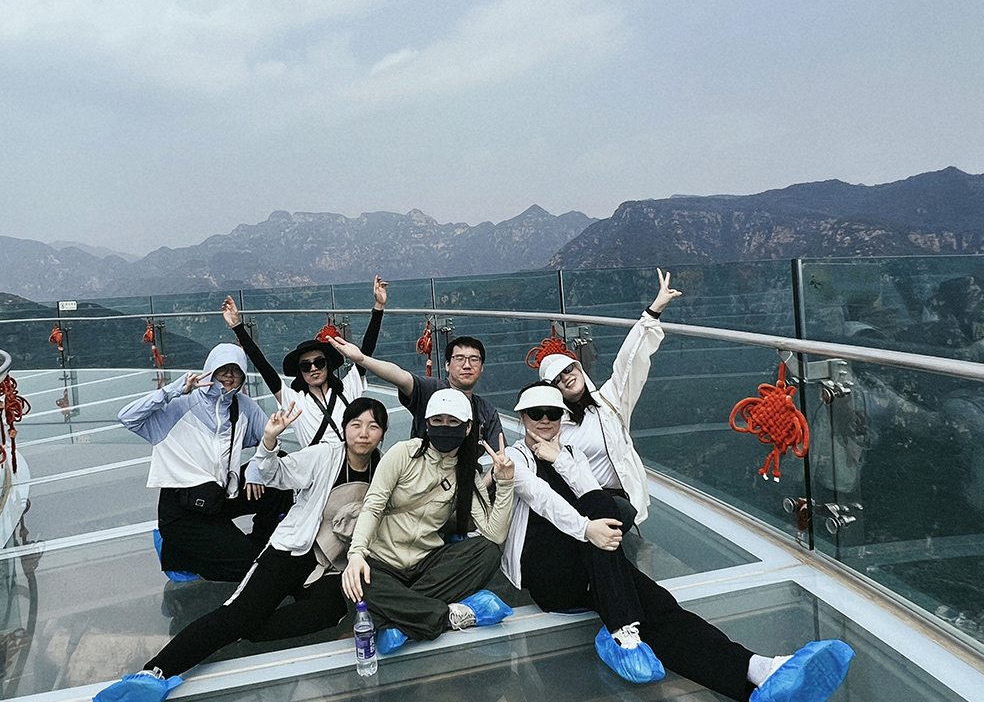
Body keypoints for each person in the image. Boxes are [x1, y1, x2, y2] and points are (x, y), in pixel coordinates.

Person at [503, 382, 854, 702]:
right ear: (522, 416)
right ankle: (620, 626)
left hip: (594, 569)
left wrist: (561, 460)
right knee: (601, 511)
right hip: (550, 574)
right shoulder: (514, 458)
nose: (545, 420)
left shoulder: (571, 455)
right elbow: (543, 500)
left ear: (562, 417)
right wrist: (587, 529)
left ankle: (756, 674)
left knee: (662, 609)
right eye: (536, 413)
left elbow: (593, 496)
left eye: (553, 413)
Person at [93, 398, 390, 702]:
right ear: (344, 428)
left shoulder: (383, 469)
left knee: (329, 610)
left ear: (383, 432)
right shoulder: (325, 456)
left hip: (332, 567)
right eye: (356, 424)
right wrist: (270, 440)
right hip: (292, 552)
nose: (363, 433)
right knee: (235, 615)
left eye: (373, 426)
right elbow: (273, 474)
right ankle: (156, 671)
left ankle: (248, 631)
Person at [341, 389, 515, 654]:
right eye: (437, 420)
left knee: (487, 551)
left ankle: (398, 620)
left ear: (468, 427)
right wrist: (356, 554)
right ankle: (446, 616)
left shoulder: (465, 472)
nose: (445, 427)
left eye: (453, 421)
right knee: (355, 582)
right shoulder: (403, 453)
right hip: (383, 563)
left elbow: (495, 534)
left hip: (426, 564)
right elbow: (373, 505)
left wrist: (505, 482)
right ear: (427, 423)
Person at [118, 343, 291, 582]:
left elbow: (271, 439)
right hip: (183, 508)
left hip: (221, 496)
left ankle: (259, 544)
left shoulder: (243, 406)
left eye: (236, 370)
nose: (229, 376)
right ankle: (178, 552)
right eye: (223, 369)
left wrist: (256, 466)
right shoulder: (179, 404)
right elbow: (128, 417)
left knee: (279, 468)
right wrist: (173, 391)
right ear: (210, 370)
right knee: (249, 570)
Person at [535, 268, 682, 528]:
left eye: (569, 369)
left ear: (579, 368)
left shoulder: (609, 403)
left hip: (621, 498)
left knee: (620, 514)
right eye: (557, 379)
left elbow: (628, 361)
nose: (566, 377)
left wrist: (654, 310)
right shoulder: (553, 425)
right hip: (581, 503)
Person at [222, 276, 387, 449]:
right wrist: (237, 326)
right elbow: (263, 366)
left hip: (352, 460)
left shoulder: (347, 389)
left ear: (328, 365)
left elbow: (365, 353)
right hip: (316, 464)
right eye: (306, 366)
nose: (313, 368)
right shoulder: (294, 401)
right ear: (300, 371)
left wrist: (379, 307)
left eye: (319, 363)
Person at [328, 332, 503, 446]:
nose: (467, 365)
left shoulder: (487, 411)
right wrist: (362, 359)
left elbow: (499, 454)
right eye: (459, 359)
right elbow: (400, 376)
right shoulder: (431, 389)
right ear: (447, 365)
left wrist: (479, 486)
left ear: (482, 367)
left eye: (474, 359)